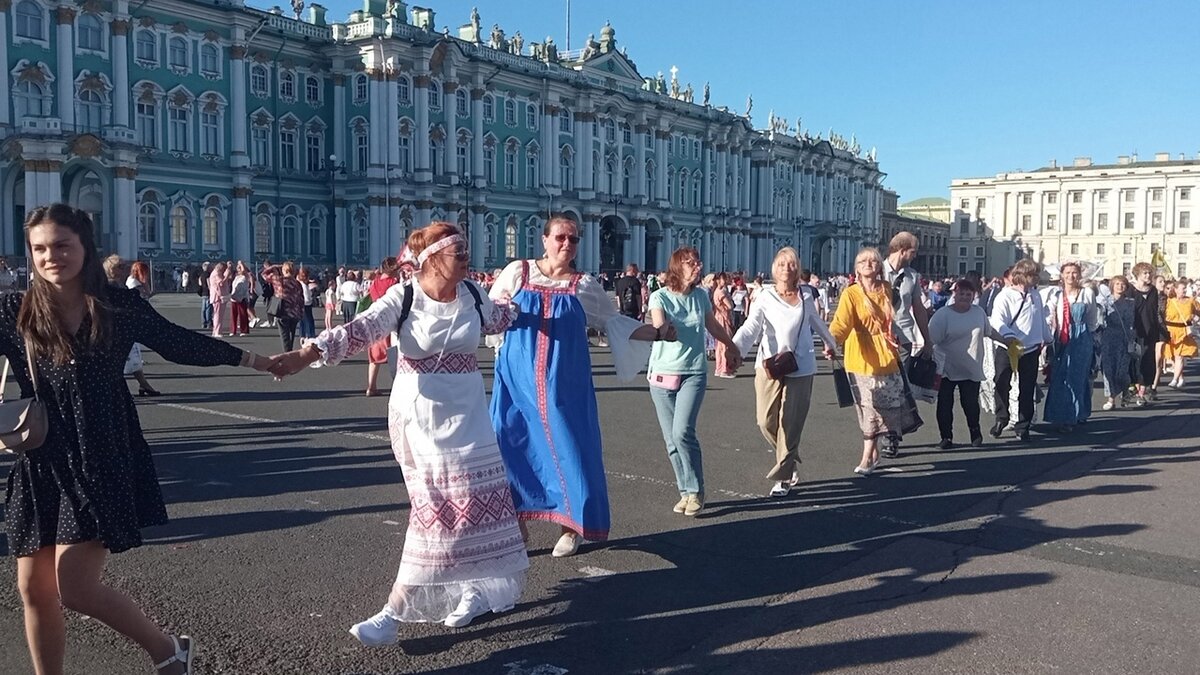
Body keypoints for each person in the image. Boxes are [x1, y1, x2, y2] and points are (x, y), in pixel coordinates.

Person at [7, 204, 274, 675]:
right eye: (40, 249)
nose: (51, 257)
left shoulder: (117, 305)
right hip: (43, 459)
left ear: (86, 248)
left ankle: (167, 647)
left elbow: (179, 343)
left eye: (62, 245)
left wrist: (255, 360)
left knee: (75, 588)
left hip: (104, 452)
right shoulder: (15, 309)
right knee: (33, 589)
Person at [266, 222, 527, 643]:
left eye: (465, 251)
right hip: (419, 418)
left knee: (473, 504)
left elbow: (504, 316)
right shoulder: (403, 297)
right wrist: (307, 352)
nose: (466, 258)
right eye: (458, 252)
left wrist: (535, 293)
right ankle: (394, 611)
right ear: (432, 259)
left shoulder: (475, 295)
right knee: (437, 511)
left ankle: (474, 590)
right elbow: (360, 330)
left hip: (470, 417)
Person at [488, 214, 666, 557]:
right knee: (508, 451)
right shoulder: (517, 272)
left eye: (573, 239)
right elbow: (490, 314)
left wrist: (658, 333)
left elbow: (613, 323)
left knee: (570, 450)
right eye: (560, 237)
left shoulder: (583, 285)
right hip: (515, 384)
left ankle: (572, 528)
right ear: (544, 240)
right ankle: (517, 527)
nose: (566, 244)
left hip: (564, 387)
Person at [732, 247, 835, 497]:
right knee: (765, 420)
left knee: (790, 423)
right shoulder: (764, 296)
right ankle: (789, 456)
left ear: (797, 269)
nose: (786, 268)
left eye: (791, 264)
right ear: (773, 269)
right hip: (769, 365)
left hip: (801, 366)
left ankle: (783, 476)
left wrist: (831, 343)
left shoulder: (806, 296)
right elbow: (751, 327)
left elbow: (817, 322)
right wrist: (733, 349)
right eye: (781, 264)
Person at [645, 249, 735, 515]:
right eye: (692, 263)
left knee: (682, 432)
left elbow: (712, 326)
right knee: (671, 440)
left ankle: (696, 490)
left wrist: (731, 345)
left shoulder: (700, 297)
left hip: (693, 372)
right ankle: (685, 491)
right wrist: (665, 331)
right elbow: (660, 322)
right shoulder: (659, 296)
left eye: (699, 262)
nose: (698, 266)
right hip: (661, 374)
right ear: (677, 267)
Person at [829, 248, 923, 476]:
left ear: (879, 267)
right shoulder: (850, 293)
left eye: (873, 260)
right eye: (863, 261)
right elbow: (842, 323)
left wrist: (907, 338)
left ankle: (871, 454)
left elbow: (894, 319)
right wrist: (831, 341)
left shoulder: (887, 289)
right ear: (856, 268)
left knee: (884, 408)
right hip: (859, 357)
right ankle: (869, 455)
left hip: (886, 355)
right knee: (867, 409)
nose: (868, 263)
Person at [928, 278, 1009, 449]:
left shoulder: (978, 312)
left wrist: (1006, 341)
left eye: (968, 294)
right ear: (954, 294)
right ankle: (946, 437)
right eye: (961, 293)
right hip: (946, 367)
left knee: (970, 403)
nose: (964, 297)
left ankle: (975, 432)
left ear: (973, 296)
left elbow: (989, 332)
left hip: (970, 367)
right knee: (945, 404)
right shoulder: (942, 315)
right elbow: (931, 340)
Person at [988, 258, 1052, 443]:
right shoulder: (1005, 295)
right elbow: (997, 321)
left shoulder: (1035, 295)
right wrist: (1008, 336)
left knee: (1027, 388)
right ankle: (1002, 418)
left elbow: (1040, 318)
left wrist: (1047, 337)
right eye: (1033, 275)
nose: (1036, 279)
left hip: (1030, 349)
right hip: (1008, 347)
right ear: (1022, 275)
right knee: (1001, 383)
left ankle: (1023, 426)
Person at [880, 232, 932, 457]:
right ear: (902, 249)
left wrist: (926, 339)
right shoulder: (875, 271)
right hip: (879, 340)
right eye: (913, 250)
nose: (915, 254)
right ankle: (886, 432)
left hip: (904, 340)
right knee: (882, 389)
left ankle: (892, 435)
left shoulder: (912, 276)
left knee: (899, 388)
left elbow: (918, 309)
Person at [1042, 262, 1100, 432]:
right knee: (1060, 378)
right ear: (1062, 275)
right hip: (1061, 338)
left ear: (1079, 275)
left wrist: (1087, 337)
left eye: (1074, 272)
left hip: (1081, 338)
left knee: (1076, 377)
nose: (1071, 276)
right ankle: (1060, 414)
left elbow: (1091, 318)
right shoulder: (1056, 294)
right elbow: (1048, 315)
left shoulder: (1087, 293)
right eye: (1067, 272)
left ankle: (1073, 416)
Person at [1099, 275, 1136, 410]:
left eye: (1123, 284)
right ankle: (1111, 398)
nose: (1120, 287)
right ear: (1112, 286)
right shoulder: (1106, 302)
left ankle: (1126, 390)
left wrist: (1132, 338)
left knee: (1121, 369)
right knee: (1108, 369)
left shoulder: (1130, 302)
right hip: (1108, 337)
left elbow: (1131, 321)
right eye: (1117, 284)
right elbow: (1100, 318)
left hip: (1124, 337)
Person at [1127, 263, 1163, 405]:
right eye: (1145, 274)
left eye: (1149, 273)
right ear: (1138, 275)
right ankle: (1133, 387)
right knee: (1135, 360)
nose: (1148, 276)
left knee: (1148, 360)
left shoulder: (1153, 290)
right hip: (1135, 330)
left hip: (1150, 331)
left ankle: (1142, 392)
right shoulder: (1130, 290)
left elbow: (1155, 312)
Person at [365, 257, 400, 396]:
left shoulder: (374, 282)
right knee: (397, 357)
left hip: (376, 322)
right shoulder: (395, 284)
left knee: (374, 358)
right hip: (391, 323)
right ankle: (398, 388)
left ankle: (371, 386)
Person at [1163, 279, 1200, 388]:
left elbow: (1198, 311)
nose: (1184, 291)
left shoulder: (1191, 301)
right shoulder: (1170, 301)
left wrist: (1195, 320)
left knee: (1179, 356)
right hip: (1170, 331)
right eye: (1182, 288)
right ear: (1176, 289)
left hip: (1183, 332)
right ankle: (1180, 377)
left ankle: (1174, 379)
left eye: (1185, 288)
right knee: (1172, 356)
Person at [261, 261, 304, 351]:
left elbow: (264, 274)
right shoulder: (297, 283)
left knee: (284, 335)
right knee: (292, 334)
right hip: (294, 312)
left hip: (282, 311)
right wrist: (301, 312)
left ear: (284, 270)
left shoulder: (279, 281)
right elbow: (301, 299)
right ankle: (290, 351)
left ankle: (287, 354)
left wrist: (275, 266)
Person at [710, 272, 737, 378]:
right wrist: (730, 300)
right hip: (724, 317)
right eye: (724, 279)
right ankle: (725, 369)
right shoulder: (721, 292)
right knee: (725, 343)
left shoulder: (716, 291)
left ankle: (719, 368)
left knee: (719, 345)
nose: (726, 281)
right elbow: (730, 306)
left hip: (718, 317)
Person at [208, 261, 233, 337]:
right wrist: (227, 275)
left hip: (218, 296)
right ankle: (217, 332)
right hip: (218, 296)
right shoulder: (216, 274)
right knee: (218, 315)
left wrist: (228, 270)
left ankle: (216, 331)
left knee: (218, 315)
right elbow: (221, 283)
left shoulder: (215, 273)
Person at [230, 261, 252, 337]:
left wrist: (241, 263)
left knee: (242, 315)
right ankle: (233, 330)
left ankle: (244, 330)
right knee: (233, 315)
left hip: (242, 297)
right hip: (234, 297)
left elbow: (244, 271)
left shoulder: (245, 276)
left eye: (240, 268)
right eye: (238, 268)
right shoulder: (236, 277)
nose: (239, 269)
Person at [296, 268, 318, 339]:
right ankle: (310, 335)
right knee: (309, 320)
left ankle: (302, 335)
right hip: (306, 303)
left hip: (301, 303)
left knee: (302, 320)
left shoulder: (300, 282)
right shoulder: (304, 285)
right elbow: (307, 296)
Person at [197, 260, 212, 329]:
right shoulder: (208, 274)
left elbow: (200, 283)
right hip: (208, 292)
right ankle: (208, 322)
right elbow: (209, 283)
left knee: (203, 308)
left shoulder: (201, 275)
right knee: (208, 308)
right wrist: (211, 290)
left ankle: (203, 323)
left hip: (203, 293)